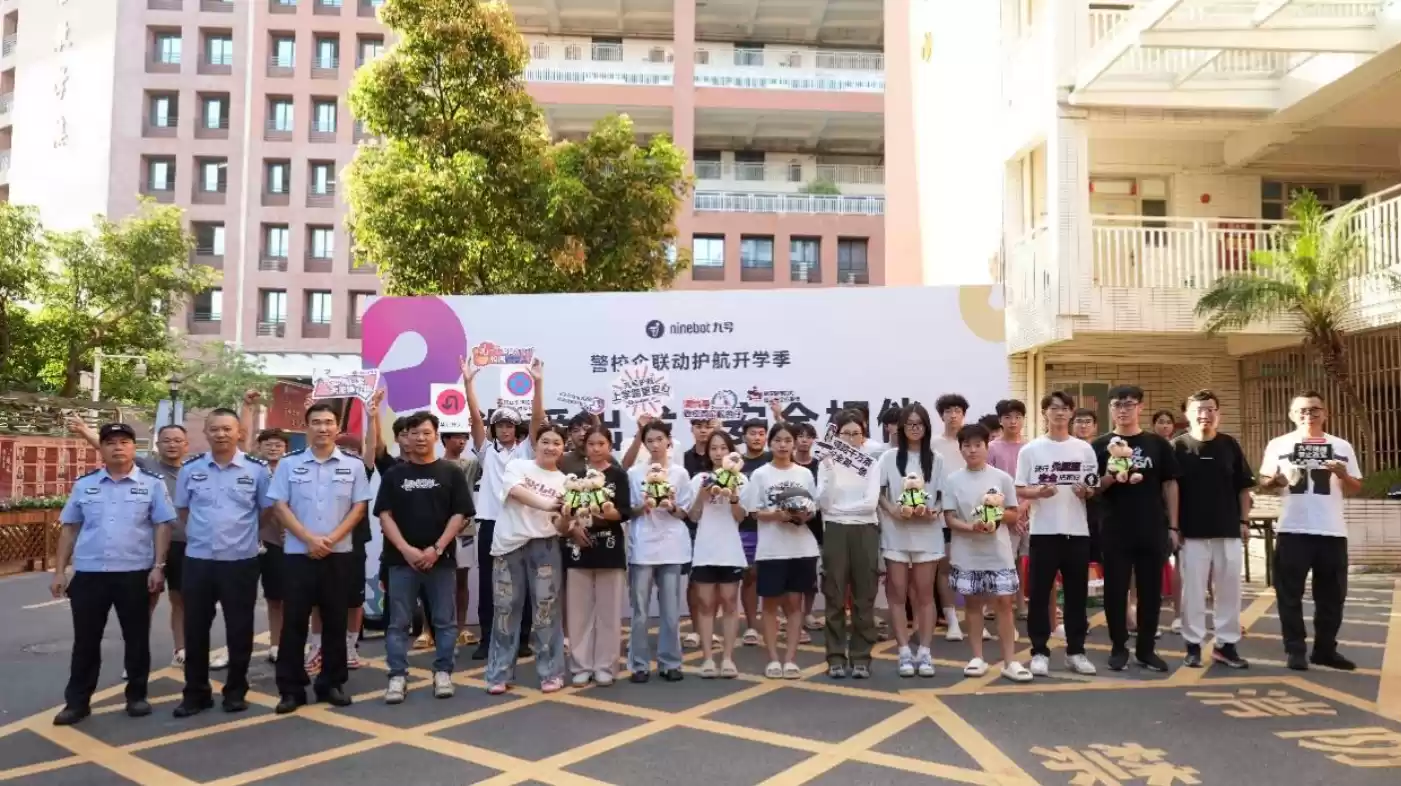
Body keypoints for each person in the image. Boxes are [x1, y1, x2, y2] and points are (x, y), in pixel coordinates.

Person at [50, 423, 174, 725]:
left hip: (134, 572)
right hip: (90, 574)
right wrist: (59, 572)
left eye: (124, 442)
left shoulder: (152, 484)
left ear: (134, 448)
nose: (118, 447)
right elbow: (70, 528)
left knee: (137, 638)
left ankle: (137, 696)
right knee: (85, 641)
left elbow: (162, 526)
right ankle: (77, 703)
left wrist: (158, 567)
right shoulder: (85, 485)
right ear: (102, 449)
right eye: (110, 442)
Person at [268, 403, 373, 713]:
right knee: (293, 623)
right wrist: (309, 539)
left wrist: (331, 539)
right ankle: (291, 689)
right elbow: (279, 506)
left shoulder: (353, 465)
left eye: (328, 422)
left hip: (338, 555)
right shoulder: (289, 464)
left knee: (335, 621)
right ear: (307, 427)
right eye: (316, 422)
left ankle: (332, 683)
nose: (323, 428)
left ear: (337, 428)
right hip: (298, 555)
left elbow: (359, 508)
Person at [67, 417, 194, 671]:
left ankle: (181, 650)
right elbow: (111, 448)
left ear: (186, 445)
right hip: (150, 546)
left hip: (184, 545)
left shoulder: (194, 471)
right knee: (145, 603)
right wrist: (83, 430)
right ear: (157, 444)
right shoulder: (146, 465)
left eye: (177, 440)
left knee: (180, 600)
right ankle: (135, 659)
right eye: (166, 440)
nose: (172, 445)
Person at [173, 409, 273, 717]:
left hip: (240, 561)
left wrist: (242, 534)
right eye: (214, 429)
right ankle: (196, 692)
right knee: (195, 628)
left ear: (239, 433)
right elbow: (184, 510)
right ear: (205, 433)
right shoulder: (191, 469)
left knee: (240, 629)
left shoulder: (257, 470)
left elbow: (266, 511)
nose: (221, 434)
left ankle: (236, 691)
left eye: (227, 429)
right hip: (199, 560)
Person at [1259, 391, 1363, 672]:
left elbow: (1356, 486)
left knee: (1332, 596)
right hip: (1293, 528)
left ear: (1325, 413)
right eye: (1302, 411)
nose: (1309, 415)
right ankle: (1295, 649)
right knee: (1289, 593)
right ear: (1292, 415)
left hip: (1331, 530)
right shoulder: (1279, 444)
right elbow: (1264, 481)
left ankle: (1325, 650)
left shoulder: (1341, 445)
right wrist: (1276, 480)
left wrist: (1342, 474)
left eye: (1315, 409)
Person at [374, 412, 474, 704]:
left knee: (444, 621)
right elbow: (384, 515)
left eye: (426, 432)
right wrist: (406, 549)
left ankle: (443, 672)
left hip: (440, 560)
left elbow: (460, 514)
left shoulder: (451, 472)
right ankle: (397, 676)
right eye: (414, 433)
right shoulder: (394, 474)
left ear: (436, 435)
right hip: (400, 561)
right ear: (406, 437)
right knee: (398, 623)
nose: (420, 438)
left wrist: (437, 548)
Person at [1092, 385, 1180, 672]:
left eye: (1129, 404)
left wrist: (1174, 526)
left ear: (1140, 407)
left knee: (1151, 591)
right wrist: (1111, 476)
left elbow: (1170, 484)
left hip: (1152, 526)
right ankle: (1118, 647)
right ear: (1110, 409)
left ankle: (1146, 649)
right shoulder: (1099, 445)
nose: (1123, 410)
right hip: (1114, 527)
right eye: (1117, 404)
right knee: (1115, 591)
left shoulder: (1157, 444)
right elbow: (1093, 488)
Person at [463, 356, 545, 660]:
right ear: (494, 428)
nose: (505, 429)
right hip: (490, 523)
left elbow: (537, 421)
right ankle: (488, 639)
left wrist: (538, 383)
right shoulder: (486, 452)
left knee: (521, 583)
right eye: (499, 424)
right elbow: (474, 419)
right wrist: (468, 383)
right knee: (489, 584)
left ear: (516, 428)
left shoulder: (526, 452)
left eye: (509, 424)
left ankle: (522, 639)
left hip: (520, 524)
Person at [485, 424, 574, 694]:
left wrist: (567, 517)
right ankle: (498, 674)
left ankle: (551, 673)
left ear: (564, 448)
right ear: (535, 444)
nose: (550, 447)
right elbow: (515, 491)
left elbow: (561, 527)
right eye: (545, 441)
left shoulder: (566, 481)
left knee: (546, 611)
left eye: (556, 443)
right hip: (509, 545)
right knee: (505, 609)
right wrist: (548, 504)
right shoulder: (518, 466)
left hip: (545, 546)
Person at [1015, 391, 1098, 677]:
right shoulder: (1031, 450)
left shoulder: (1084, 449)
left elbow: (1092, 487)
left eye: (1064, 408)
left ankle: (1076, 652)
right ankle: (1039, 651)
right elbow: (1019, 487)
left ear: (1071, 412)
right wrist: (1038, 492)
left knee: (1076, 596)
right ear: (1044, 413)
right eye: (1053, 408)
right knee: (1039, 595)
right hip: (1043, 531)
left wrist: (1086, 492)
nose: (1059, 413)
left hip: (1077, 531)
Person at [1173, 390, 1254, 670]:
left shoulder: (1229, 445)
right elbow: (1170, 490)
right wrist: (1173, 526)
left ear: (1218, 413)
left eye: (1210, 409)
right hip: (1191, 532)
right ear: (1187, 414)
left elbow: (1243, 487)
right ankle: (1193, 645)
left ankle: (1226, 645)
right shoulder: (1178, 447)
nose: (1204, 414)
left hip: (1228, 529)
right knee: (1193, 592)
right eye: (1199, 409)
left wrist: (1244, 522)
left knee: (1229, 590)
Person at [943, 423, 1027, 682]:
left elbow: (1014, 513)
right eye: (966, 445)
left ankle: (1010, 661)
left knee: (1004, 604)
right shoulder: (952, 480)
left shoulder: (1002, 478)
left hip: (998, 552)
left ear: (986, 446)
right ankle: (977, 657)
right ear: (960, 449)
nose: (972, 450)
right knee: (973, 604)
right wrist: (972, 526)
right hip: (966, 553)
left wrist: (995, 516)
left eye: (977, 445)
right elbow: (949, 518)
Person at [743, 422, 820, 680]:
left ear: (794, 443)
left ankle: (790, 660)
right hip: (772, 550)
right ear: (770, 443)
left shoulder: (804, 474)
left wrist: (802, 515)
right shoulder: (760, 475)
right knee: (770, 606)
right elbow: (754, 512)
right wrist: (776, 515)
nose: (783, 445)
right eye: (778, 440)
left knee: (795, 605)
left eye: (788, 440)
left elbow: (813, 509)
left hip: (801, 548)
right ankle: (773, 659)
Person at [878, 403, 945, 678]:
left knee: (925, 594)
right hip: (896, 533)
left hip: (927, 534)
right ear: (901, 428)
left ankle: (925, 651)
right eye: (910, 424)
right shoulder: (889, 457)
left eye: (919, 424)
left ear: (926, 427)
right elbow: (879, 493)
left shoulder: (937, 459)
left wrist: (934, 511)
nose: (915, 428)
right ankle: (904, 651)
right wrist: (893, 510)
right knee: (897, 593)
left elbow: (942, 497)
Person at [627, 421, 696, 683]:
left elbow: (684, 513)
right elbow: (628, 510)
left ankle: (670, 662)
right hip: (643, 547)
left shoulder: (680, 474)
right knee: (640, 612)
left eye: (659, 439)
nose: (655, 445)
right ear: (644, 444)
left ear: (669, 440)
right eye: (650, 441)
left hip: (671, 546)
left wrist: (671, 506)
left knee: (670, 610)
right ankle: (639, 664)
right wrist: (642, 507)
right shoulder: (635, 473)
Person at [564, 425, 632, 686]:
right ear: (584, 447)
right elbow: (565, 510)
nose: (596, 448)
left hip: (610, 548)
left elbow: (623, 513)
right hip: (578, 548)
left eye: (601, 443)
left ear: (610, 446)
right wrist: (573, 527)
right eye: (591, 444)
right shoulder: (575, 477)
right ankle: (580, 665)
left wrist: (602, 509)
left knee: (608, 612)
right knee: (578, 612)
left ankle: (606, 665)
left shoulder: (618, 475)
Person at [816, 410, 881, 679]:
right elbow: (824, 503)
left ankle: (861, 658)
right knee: (834, 594)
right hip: (835, 531)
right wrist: (830, 468)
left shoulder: (871, 464)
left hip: (865, 530)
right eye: (846, 434)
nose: (851, 439)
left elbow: (870, 504)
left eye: (856, 434)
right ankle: (835, 657)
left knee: (864, 597)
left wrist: (839, 510)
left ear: (863, 437)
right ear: (836, 435)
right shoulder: (825, 463)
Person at [686, 429, 748, 679]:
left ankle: (728, 658)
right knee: (705, 604)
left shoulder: (741, 479)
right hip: (705, 549)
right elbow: (693, 516)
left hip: (730, 549)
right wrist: (702, 495)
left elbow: (741, 517)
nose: (718, 453)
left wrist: (733, 498)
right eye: (714, 448)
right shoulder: (699, 479)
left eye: (723, 448)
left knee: (730, 604)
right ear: (707, 452)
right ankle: (708, 658)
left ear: (731, 451)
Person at [252, 428, 291, 665]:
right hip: (251, 542)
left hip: (283, 542)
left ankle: (281, 644)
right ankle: (241, 646)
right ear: (259, 447)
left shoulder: (293, 471)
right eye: (268, 444)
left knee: (281, 597)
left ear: (286, 449)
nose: (273, 448)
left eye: (278, 445)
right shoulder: (251, 471)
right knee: (246, 599)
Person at [680, 417, 719, 649]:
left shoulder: (725, 457)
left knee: (718, 581)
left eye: (708, 426)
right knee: (695, 581)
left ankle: (711, 629)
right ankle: (696, 629)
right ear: (692, 429)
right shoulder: (684, 458)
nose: (703, 431)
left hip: (720, 525)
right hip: (692, 525)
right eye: (699, 426)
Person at [988, 399, 1029, 618]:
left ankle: (1021, 603)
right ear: (1000, 420)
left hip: (1029, 511)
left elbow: (1035, 481)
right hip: (1003, 513)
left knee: (1023, 560)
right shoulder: (992, 448)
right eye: (1007, 417)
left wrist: (1022, 509)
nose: (1013, 422)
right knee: (1003, 560)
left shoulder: (1030, 448)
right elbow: (989, 483)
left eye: (1017, 417)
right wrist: (1010, 514)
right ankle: (995, 603)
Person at [932, 394, 969, 640]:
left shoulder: (972, 440)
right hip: (943, 515)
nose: (953, 415)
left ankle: (976, 618)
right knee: (944, 568)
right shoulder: (933, 444)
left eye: (957, 410)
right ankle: (952, 621)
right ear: (941, 415)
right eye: (948, 411)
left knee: (971, 567)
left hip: (972, 515)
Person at [441, 429, 482, 648]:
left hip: (465, 530)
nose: (462, 441)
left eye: (465, 437)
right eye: (457, 437)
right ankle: (429, 630)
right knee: (435, 580)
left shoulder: (471, 464)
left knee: (461, 579)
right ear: (445, 439)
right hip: (438, 531)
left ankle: (461, 627)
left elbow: (487, 454)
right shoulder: (435, 465)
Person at [736, 418, 771, 645]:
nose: (757, 437)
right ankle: (751, 625)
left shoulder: (773, 459)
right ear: (744, 437)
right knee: (749, 577)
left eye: (761, 433)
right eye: (752, 433)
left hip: (773, 526)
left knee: (773, 577)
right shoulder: (736, 463)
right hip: (746, 528)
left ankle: (773, 622)